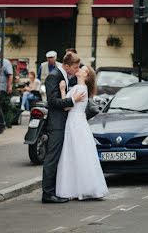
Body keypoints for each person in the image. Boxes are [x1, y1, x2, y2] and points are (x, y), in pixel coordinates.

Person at [55, 65, 108, 200]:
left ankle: (74, 188)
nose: (78, 69)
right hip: (79, 123)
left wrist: (62, 90)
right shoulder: (81, 88)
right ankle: (83, 186)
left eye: (82, 69)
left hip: (74, 123)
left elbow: (66, 106)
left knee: (73, 153)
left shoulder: (79, 88)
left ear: (86, 75)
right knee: (81, 153)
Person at [42, 51, 84, 203]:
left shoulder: (64, 76)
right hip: (56, 124)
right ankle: (47, 194)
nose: (77, 69)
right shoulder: (54, 76)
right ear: (66, 66)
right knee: (52, 158)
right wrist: (72, 100)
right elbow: (52, 102)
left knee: (58, 158)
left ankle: (55, 191)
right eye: (75, 67)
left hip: (63, 123)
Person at [0, 56, 14, 133]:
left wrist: (9, 86)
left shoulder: (5, 62)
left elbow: (10, 75)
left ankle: (2, 124)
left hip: (1, 87)